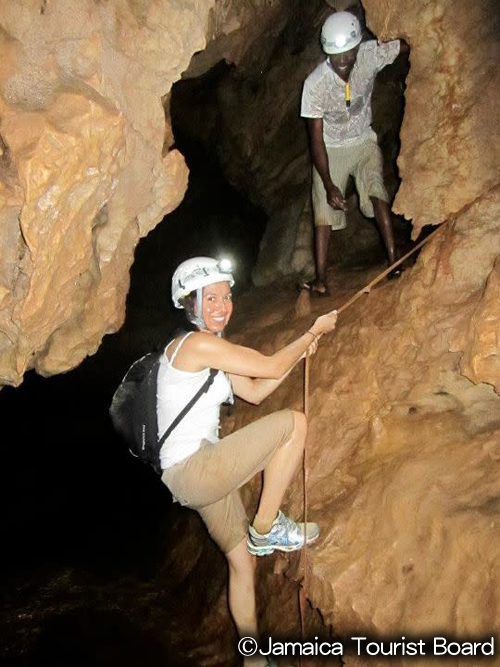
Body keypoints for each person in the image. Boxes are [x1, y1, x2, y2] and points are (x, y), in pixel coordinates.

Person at [158, 256, 338, 667]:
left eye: (226, 296)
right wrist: (312, 329)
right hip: (196, 468)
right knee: (295, 423)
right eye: (211, 298)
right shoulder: (197, 344)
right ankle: (267, 525)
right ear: (190, 303)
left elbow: (256, 391)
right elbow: (271, 365)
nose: (222, 305)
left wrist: (302, 350)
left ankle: (253, 659)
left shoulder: (208, 352)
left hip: (189, 479)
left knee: (241, 563)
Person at [301, 10, 409, 296]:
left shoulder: (369, 55)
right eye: (336, 56)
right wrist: (328, 183)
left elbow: (406, 43)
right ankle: (321, 279)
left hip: (363, 141)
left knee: (375, 188)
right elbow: (315, 139)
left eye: (348, 53)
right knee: (323, 210)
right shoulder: (315, 85)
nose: (343, 61)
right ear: (326, 53)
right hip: (330, 148)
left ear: (356, 46)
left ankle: (393, 258)